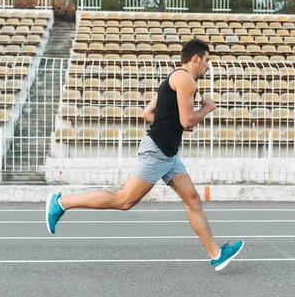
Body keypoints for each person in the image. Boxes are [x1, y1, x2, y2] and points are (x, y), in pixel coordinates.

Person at [45, 38, 244, 271]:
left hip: (168, 154)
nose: (208, 67)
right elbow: (187, 119)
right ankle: (61, 202)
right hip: (157, 150)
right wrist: (206, 109)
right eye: (207, 61)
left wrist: (178, 124)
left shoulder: (172, 78)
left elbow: (148, 113)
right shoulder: (185, 80)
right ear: (195, 58)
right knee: (124, 200)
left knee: (192, 199)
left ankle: (217, 254)